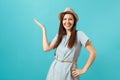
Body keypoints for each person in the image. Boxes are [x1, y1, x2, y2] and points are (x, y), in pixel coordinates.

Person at [33, 8, 97, 80]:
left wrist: (84, 69)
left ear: (74, 21)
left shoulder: (79, 34)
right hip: (55, 69)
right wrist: (43, 29)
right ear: (62, 21)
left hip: (69, 72)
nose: (67, 21)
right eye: (65, 19)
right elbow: (46, 48)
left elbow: (93, 52)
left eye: (70, 19)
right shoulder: (60, 35)